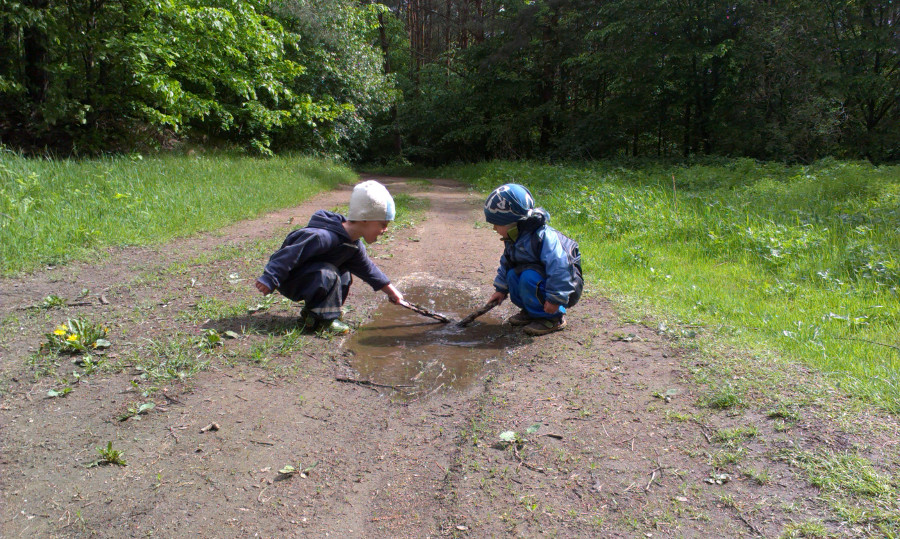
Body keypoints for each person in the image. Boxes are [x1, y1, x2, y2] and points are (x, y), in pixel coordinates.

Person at [255, 180, 404, 335]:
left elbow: (369, 270)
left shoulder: (353, 246)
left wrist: (392, 292)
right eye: (383, 224)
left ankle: (314, 314)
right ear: (364, 218)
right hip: (290, 279)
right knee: (328, 273)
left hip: (313, 278)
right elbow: (289, 254)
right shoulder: (322, 237)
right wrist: (270, 278)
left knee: (344, 273)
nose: (385, 230)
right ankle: (325, 322)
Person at [483, 183, 582, 336]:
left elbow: (560, 268)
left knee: (529, 277)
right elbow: (507, 264)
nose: (495, 228)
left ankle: (553, 318)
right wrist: (501, 290)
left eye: (497, 224)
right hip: (543, 281)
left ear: (513, 222)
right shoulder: (513, 239)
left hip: (566, 286)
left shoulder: (543, 238)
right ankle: (532, 312)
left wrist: (556, 298)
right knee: (512, 276)